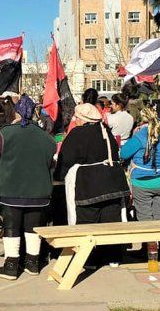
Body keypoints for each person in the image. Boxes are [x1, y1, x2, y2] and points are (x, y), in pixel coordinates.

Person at [0, 95, 56, 280]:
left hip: (10, 190)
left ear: (16, 112)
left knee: (11, 227)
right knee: (33, 226)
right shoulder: (45, 137)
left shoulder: (5, 133)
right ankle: (33, 263)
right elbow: (51, 161)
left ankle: (11, 266)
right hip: (39, 191)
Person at [55, 103, 129, 266]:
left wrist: (58, 177)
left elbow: (66, 158)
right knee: (110, 221)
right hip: (113, 182)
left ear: (82, 119)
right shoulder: (106, 132)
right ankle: (113, 257)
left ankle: (88, 258)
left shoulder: (77, 134)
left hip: (89, 184)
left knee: (87, 221)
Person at [120, 107, 160, 221]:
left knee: (145, 217)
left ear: (142, 121)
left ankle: (150, 239)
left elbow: (124, 154)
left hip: (142, 181)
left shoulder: (141, 136)